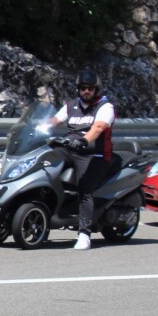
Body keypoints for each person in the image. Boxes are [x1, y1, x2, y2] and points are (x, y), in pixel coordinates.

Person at [52, 69, 115, 250]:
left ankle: (84, 234)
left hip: (94, 154)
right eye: (83, 88)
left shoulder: (105, 107)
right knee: (44, 164)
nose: (86, 91)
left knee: (84, 188)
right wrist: (37, 127)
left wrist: (84, 141)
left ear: (96, 89)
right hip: (69, 149)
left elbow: (98, 127)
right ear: (78, 89)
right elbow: (55, 120)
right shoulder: (71, 105)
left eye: (90, 88)